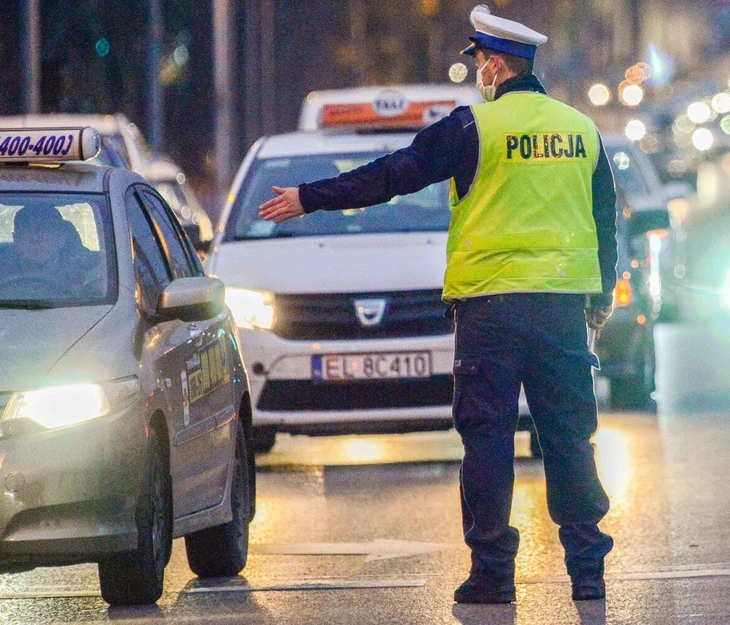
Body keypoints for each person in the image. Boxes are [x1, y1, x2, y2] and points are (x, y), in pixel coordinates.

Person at [259, 8, 618, 605]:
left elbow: (392, 175)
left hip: (490, 311)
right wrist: (599, 300)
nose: (476, 71)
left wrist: (309, 198)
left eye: (479, 61)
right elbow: (605, 222)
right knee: (569, 438)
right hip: (560, 309)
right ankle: (587, 572)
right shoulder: (581, 130)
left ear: (497, 65)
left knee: (487, 441)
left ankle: (492, 577)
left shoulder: (472, 127)